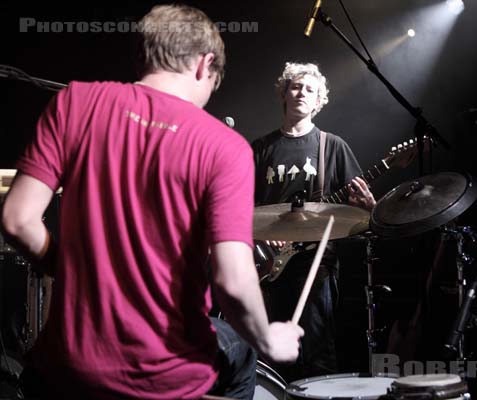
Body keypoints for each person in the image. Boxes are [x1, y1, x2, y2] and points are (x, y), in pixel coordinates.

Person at [0, 4, 303, 399]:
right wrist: (269, 339)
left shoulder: (74, 102)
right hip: (164, 377)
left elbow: (17, 219)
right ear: (203, 64)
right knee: (244, 354)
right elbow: (233, 280)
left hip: (68, 368)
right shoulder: (225, 147)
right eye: (214, 81)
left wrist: (68, 268)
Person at [251, 62, 375, 382]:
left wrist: (369, 208)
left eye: (310, 89)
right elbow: (240, 206)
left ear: (319, 101)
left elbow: (360, 210)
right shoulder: (260, 149)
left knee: (316, 345)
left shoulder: (332, 147)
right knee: (269, 349)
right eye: (295, 87)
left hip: (315, 260)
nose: (301, 93)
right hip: (265, 263)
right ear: (284, 94)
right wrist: (259, 237)